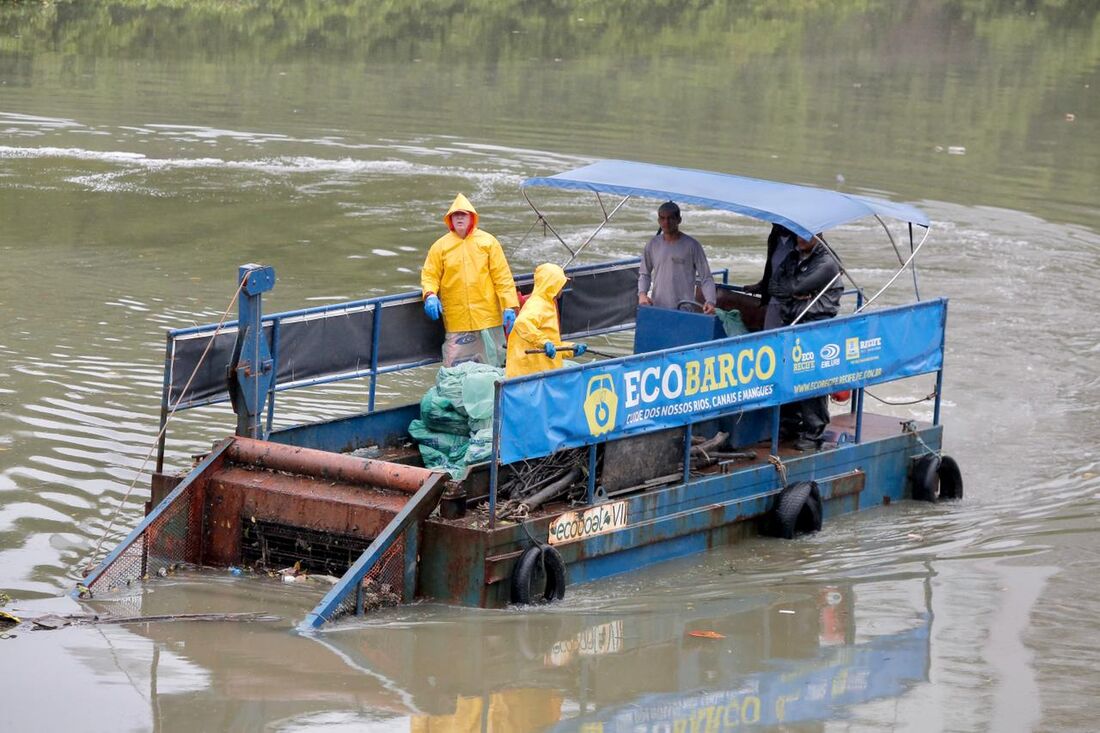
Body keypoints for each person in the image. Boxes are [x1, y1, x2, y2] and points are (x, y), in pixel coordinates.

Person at [421, 193, 519, 367]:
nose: (459, 218)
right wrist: (430, 295)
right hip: (457, 318)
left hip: (488, 317)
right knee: (456, 367)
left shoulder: (489, 242)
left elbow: (502, 277)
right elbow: (430, 274)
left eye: (463, 214)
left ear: (471, 217)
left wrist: (509, 306)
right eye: (455, 214)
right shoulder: (440, 246)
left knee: (496, 362)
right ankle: (458, 394)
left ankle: (494, 393)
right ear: (449, 219)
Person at [773, 232, 844, 451]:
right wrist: (794, 292)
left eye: (806, 234)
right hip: (792, 322)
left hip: (815, 327)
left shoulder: (827, 261)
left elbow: (795, 288)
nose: (800, 238)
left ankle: (814, 433)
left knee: (812, 377)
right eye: (798, 233)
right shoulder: (793, 257)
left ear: (819, 235)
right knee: (788, 375)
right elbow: (774, 286)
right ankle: (790, 424)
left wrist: (794, 291)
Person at [505, 263, 587, 378]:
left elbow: (552, 345)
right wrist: (544, 342)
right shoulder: (537, 305)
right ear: (552, 285)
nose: (562, 288)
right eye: (560, 284)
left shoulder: (549, 304)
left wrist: (572, 348)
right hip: (527, 375)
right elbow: (522, 323)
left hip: (542, 373)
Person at [638, 201, 716, 314]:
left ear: (679, 220)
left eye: (670, 218)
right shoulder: (652, 244)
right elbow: (644, 274)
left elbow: (706, 278)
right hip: (657, 308)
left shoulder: (692, 245)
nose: (666, 222)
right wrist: (642, 294)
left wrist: (710, 302)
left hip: (684, 310)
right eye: (662, 218)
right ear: (658, 221)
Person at [744, 223, 797, 330]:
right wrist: (762, 285)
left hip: (794, 300)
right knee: (770, 335)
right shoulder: (774, 238)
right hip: (775, 297)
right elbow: (771, 268)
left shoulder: (800, 240)